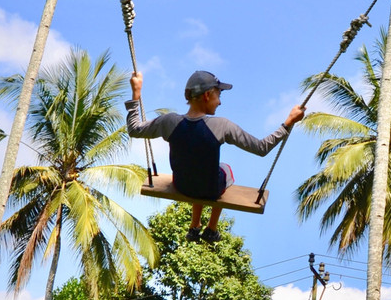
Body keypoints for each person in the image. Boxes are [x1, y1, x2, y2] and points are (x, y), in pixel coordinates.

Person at [125, 70, 305, 242]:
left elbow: (134, 129)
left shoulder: (169, 121)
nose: (220, 102)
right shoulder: (222, 125)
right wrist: (288, 123)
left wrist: (136, 92)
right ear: (207, 95)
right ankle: (211, 228)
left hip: (182, 185)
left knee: (198, 166)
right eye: (219, 95)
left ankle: (195, 224)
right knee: (224, 168)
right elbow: (261, 148)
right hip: (211, 191)